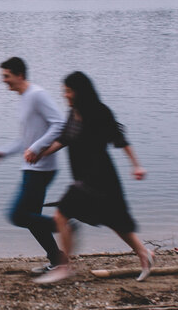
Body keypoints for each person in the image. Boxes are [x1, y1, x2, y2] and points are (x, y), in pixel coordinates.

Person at [31, 71, 154, 284]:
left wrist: (137, 166)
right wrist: (41, 153)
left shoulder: (99, 112)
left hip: (99, 177)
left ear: (80, 91)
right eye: (64, 91)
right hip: (84, 177)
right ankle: (145, 255)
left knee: (61, 215)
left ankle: (64, 267)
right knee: (115, 221)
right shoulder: (73, 112)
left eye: (68, 91)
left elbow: (120, 139)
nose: (65, 95)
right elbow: (64, 139)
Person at [0, 57, 66, 273]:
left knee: (18, 215)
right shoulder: (23, 99)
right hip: (31, 167)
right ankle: (58, 261)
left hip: (41, 168)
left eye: (7, 76)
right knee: (33, 219)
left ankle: (64, 226)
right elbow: (25, 140)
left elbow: (59, 123)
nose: (4, 81)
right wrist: (3, 152)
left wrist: (38, 148)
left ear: (19, 75)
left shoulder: (37, 95)